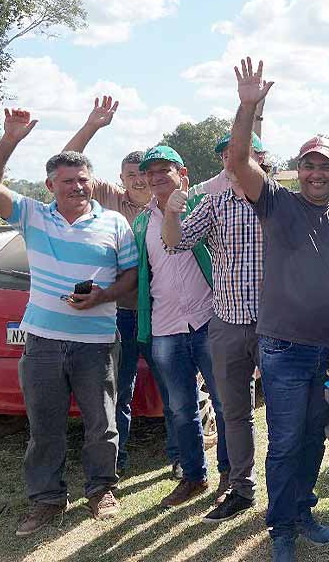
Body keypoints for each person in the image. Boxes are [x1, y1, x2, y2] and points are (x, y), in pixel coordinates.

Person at [224, 57, 329, 562]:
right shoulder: (276, 203)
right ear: (297, 170)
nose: (317, 173)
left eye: (326, 165)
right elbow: (238, 162)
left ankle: (302, 511)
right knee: (283, 444)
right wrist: (247, 105)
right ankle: (280, 528)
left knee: (314, 440)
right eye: (310, 164)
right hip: (282, 350)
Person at [0, 109, 138, 535]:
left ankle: (101, 490)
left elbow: (131, 275)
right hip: (43, 341)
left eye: (83, 179)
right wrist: (10, 139)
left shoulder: (114, 222)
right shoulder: (32, 215)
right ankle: (47, 500)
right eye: (68, 181)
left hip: (97, 341)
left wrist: (103, 295)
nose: (78, 186)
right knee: (44, 427)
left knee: (102, 424)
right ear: (50, 186)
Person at [62, 96, 180, 478]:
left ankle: (181, 457)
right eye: (130, 174)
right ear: (120, 179)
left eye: (143, 173)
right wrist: (93, 125)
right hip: (124, 314)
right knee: (120, 391)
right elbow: (68, 161)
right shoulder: (114, 201)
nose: (138, 179)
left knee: (174, 389)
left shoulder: (173, 205)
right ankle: (118, 460)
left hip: (164, 313)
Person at [160, 130, 271, 523]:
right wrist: (173, 211)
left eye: (240, 152)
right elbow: (175, 243)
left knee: (282, 411)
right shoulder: (212, 205)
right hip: (225, 324)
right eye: (226, 154)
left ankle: (285, 490)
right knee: (236, 412)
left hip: (275, 326)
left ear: (259, 156)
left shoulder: (276, 200)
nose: (232, 160)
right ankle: (242, 488)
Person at [132, 145, 229, 508]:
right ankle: (193, 476)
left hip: (208, 320)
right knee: (179, 408)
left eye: (164, 170)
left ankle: (229, 477)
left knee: (223, 402)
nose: (157, 177)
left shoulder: (201, 209)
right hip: (165, 327)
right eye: (150, 172)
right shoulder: (141, 223)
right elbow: (140, 273)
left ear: (182, 173)